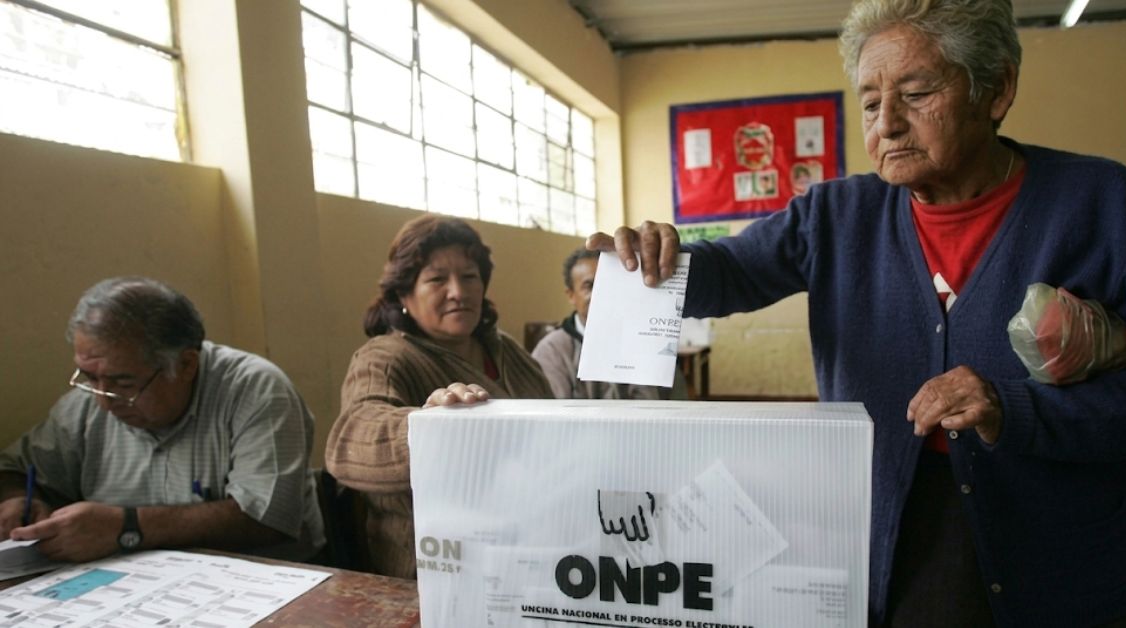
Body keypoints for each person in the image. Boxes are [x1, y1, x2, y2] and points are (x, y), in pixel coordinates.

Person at [588, 0, 1126, 626]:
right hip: (896, 543)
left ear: (996, 90)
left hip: (1067, 559)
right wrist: (660, 260)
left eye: (916, 93)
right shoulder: (835, 216)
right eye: (870, 102)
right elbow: (731, 270)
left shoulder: (1102, 204)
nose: (888, 124)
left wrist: (1019, 409)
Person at [0, 277, 324, 563]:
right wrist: (18, 499)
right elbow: (14, 468)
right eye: (89, 377)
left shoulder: (256, 390)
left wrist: (125, 526)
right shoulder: (87, 403)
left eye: (124, 383)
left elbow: (266, 519)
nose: (103, 400)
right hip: (133, 585)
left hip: (268, 583)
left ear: (186, 365)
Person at [325, 214, 553, 578]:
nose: (458, 292)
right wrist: (432, 426)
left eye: (470, 276)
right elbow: (352, 439)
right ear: (403, 293)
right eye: (436, 279)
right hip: (439, 571)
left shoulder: (506, 351)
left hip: (532, 551)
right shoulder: (384, 357)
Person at [532, 247, 685, 400]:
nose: (601, 293)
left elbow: (655, 404)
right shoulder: (551, 350)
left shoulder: (643, 340)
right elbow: (555, 411)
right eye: (589, 286)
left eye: (607, 283)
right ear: (571, 295)